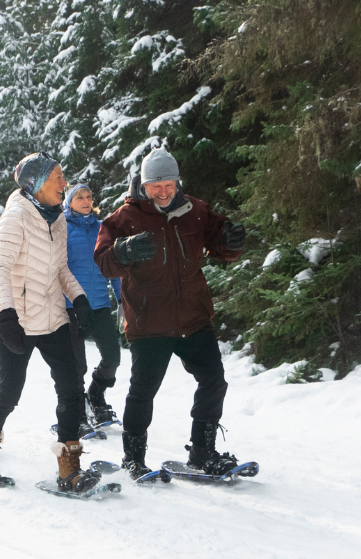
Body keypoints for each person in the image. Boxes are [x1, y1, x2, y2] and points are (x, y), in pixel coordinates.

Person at [94, 148, 248, 480]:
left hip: (193, 317)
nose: (163, 192)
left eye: (169, 184)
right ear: (143, 184)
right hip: (150, 322)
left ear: (178, 182)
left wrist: (231, 241)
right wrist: (123, 250)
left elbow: (222, 245)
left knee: (213, 380)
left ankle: (203, 452)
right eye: (155, 186)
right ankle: (133, 458)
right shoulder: (123, 218)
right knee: (143, 391)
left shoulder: (195, 210)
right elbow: (104, 262)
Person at [0, 152, 99, 493]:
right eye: (57, 177)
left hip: (53, 317)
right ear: (37, 183)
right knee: (10, 392)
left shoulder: (57, 217)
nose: (65, 183)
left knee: (71, 388)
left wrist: (81, 299)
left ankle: (69, 465)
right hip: (19, 321)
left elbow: (60, 269)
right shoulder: (16, 217)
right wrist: (7, 315)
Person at [62, 184, 124, 428]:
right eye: (80, 197)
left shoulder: (102, 229)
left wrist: (121, 300)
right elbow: (58, 268)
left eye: (89, 197)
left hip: (99, 305)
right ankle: (77, 411)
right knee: (77, 365)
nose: (86, 201)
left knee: (113, 356)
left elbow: (114, 269)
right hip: (71, 306)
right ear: (69, 202)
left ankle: (95, 396)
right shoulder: (62, 228)